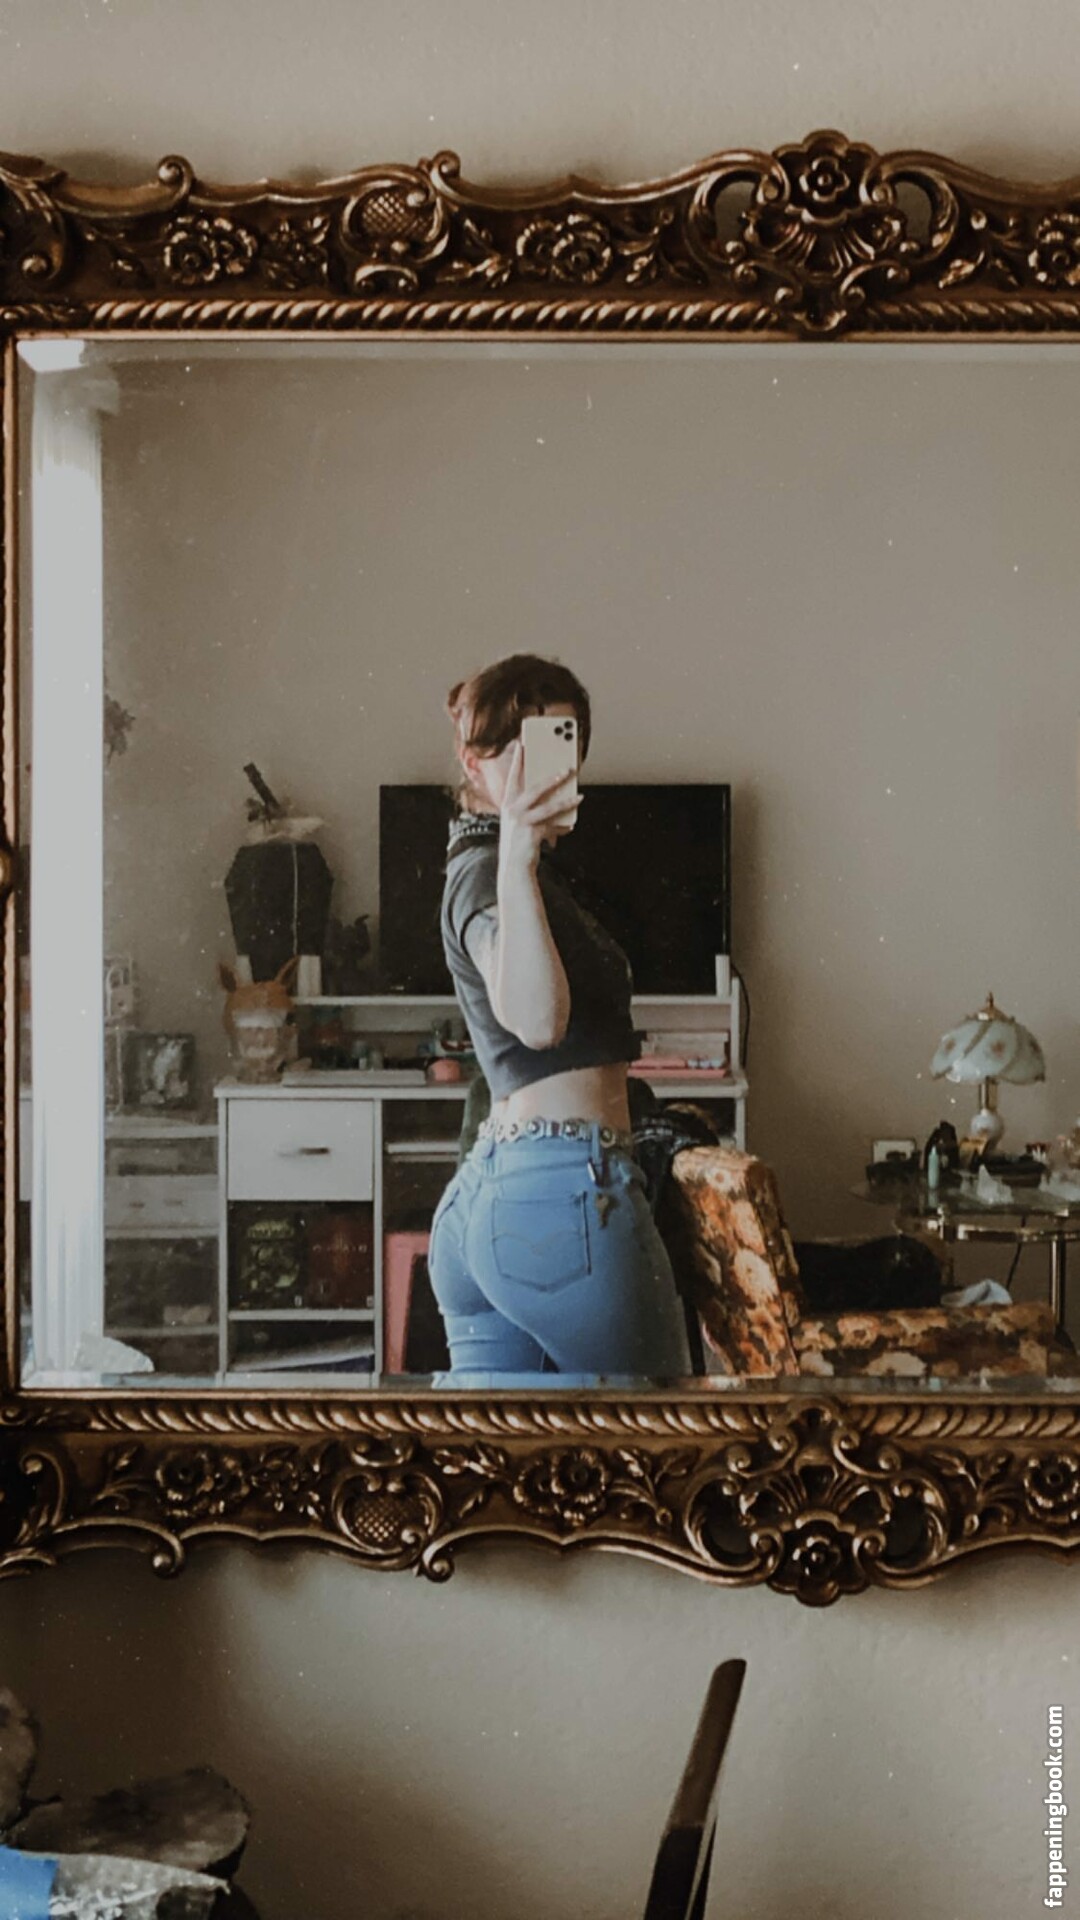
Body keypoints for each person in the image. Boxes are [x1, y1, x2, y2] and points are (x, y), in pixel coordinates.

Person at [428, 652, 693, 1387]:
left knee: (505, 1451)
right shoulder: (487, 874)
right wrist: (517, 856)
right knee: (664, 1435)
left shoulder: (499, 868)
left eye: (555, 744)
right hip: (562, 1199)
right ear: (471, 761)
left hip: (503, 1195)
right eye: (511, 748)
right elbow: (537, 1021)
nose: (537, 769)